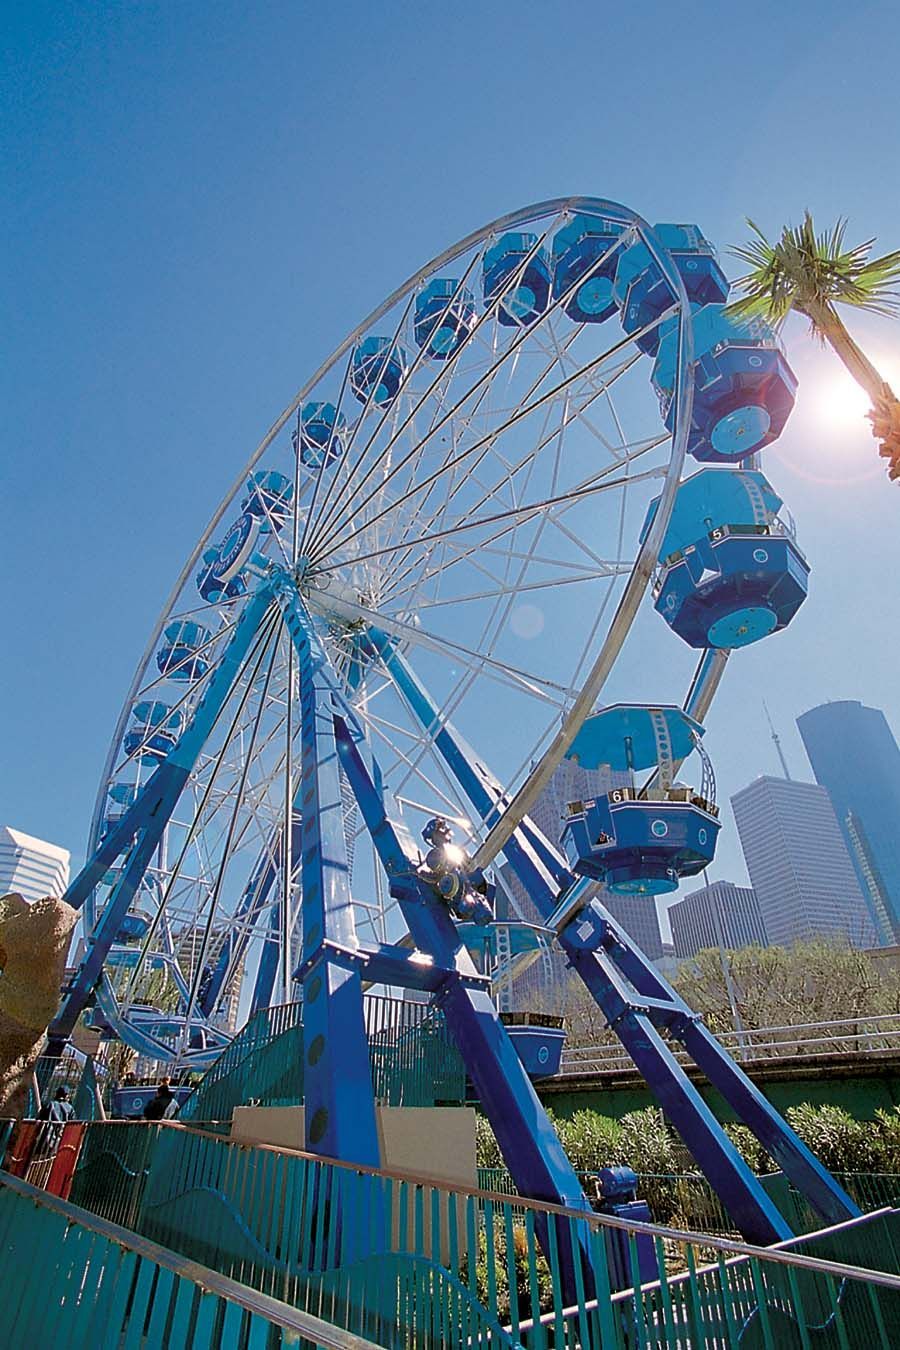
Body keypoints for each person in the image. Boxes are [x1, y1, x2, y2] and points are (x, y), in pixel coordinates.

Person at [37, 1087, 74, 1156]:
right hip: (60, 1142)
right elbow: (71, 1124)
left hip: (45, 1139)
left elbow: (39, 1118)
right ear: (66, 1095)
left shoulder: (49, 1104)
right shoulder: (70, 1108)